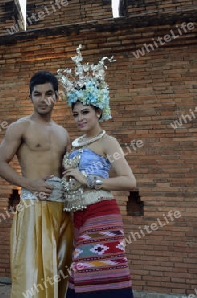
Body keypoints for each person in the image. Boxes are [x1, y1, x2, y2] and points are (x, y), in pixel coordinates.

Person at [57, 45, 135, 297]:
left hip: (101, 212)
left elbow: (129, 181)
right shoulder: (75, 143)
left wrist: (88, 179)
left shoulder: (107, 142)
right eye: (76, 113)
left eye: (86, 112)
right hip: (77, 216)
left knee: (95, 273)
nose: (80, 118)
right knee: (82, 276)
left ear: (99, 111)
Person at [0, 71, 74, 298]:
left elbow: (68, 172)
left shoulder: (63, 133)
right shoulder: (20, 127)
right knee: (32, 274)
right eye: (37, 94)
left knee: (59, 272)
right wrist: (29, 184)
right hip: (34, 208)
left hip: (63, 211)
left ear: (57, 97)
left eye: (49, 93)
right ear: (30, 97)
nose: (43, 99)